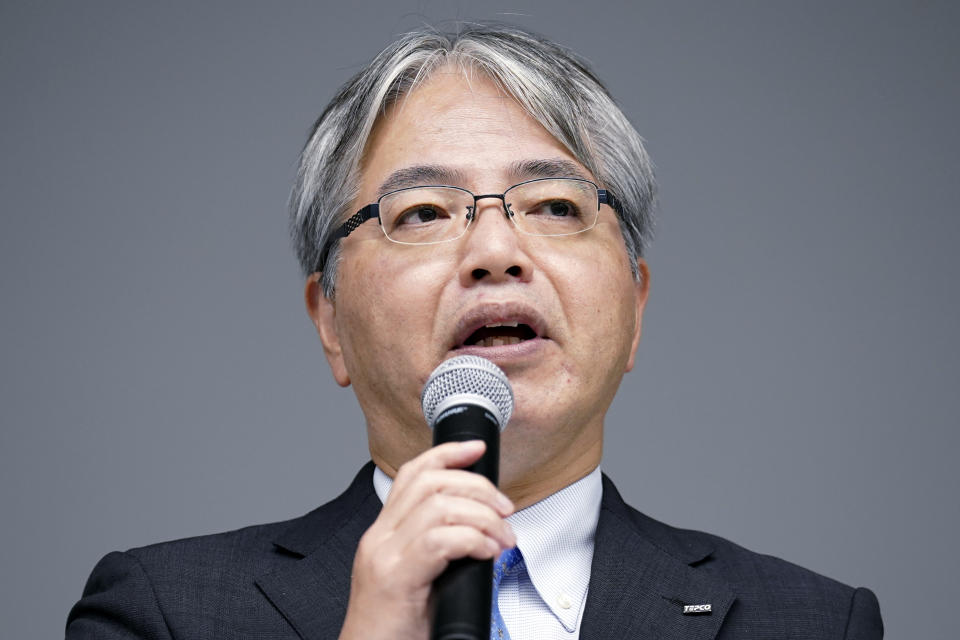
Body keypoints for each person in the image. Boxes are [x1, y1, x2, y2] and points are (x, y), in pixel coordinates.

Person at [66, 24, 883, 639]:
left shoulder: (811, 622)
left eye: (556, 206)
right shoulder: (161, 612)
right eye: (422, 212)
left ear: (635, 308)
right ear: (331, 325)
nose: (496, 252)